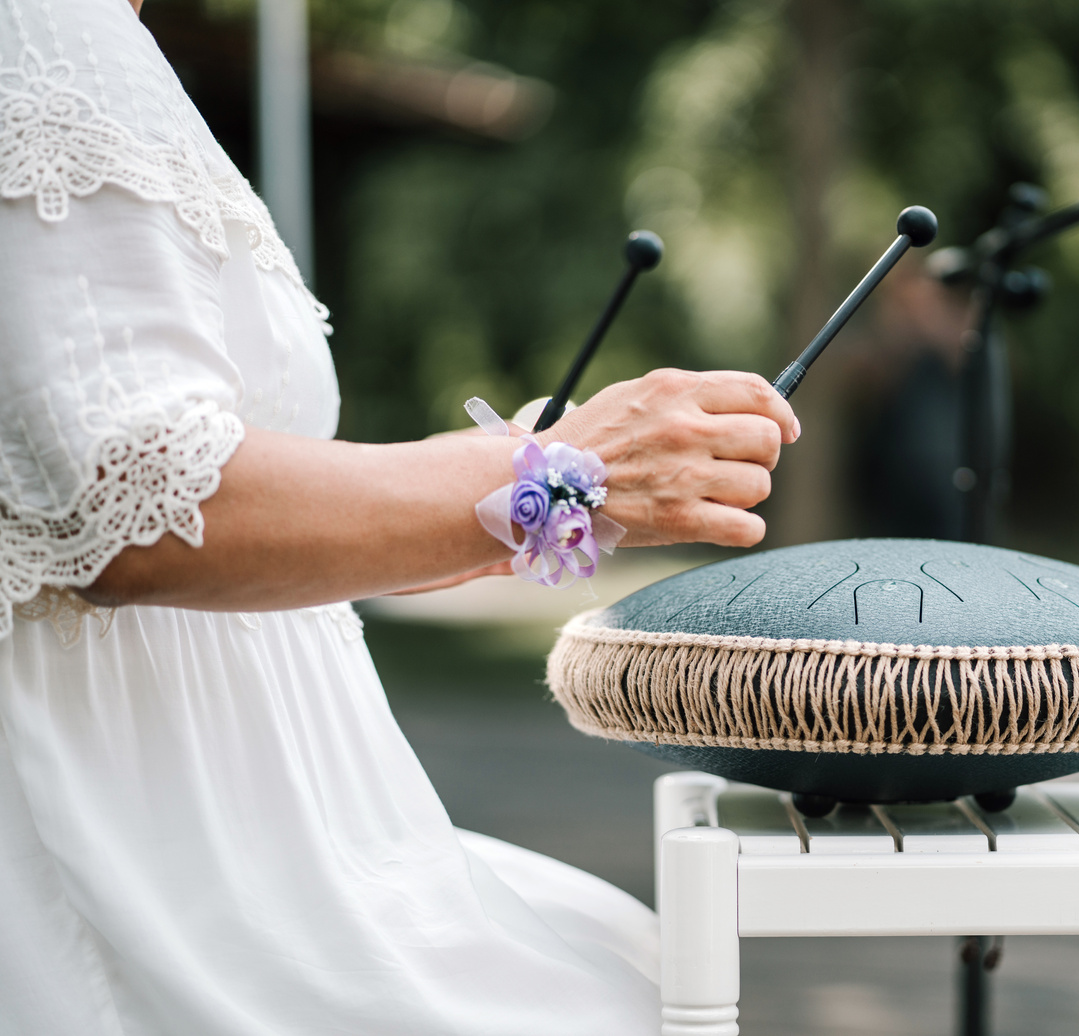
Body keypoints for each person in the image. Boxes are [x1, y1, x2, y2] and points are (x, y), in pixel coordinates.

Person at [0, 0, 797, 1032]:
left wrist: (476, 517)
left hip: (285, 848)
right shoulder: (41, 26)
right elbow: (136, 512)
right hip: (153, 877)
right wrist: (555, 477)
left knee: (629, 954)